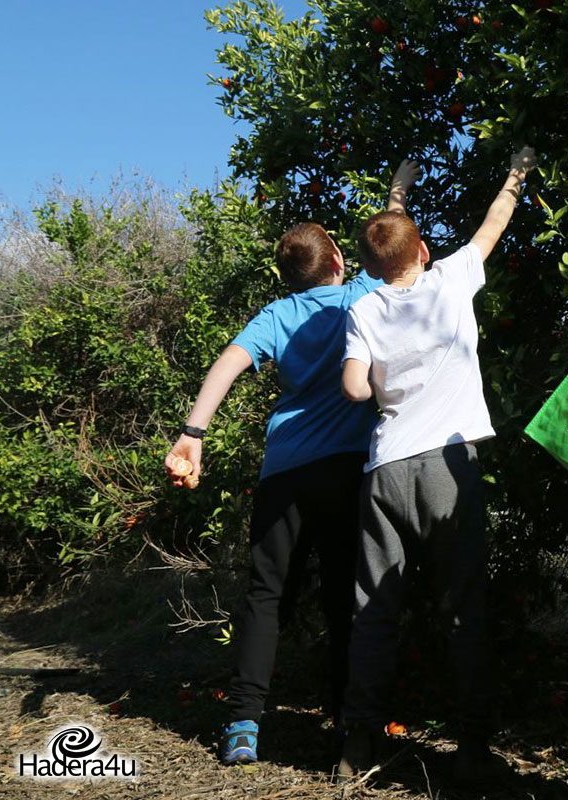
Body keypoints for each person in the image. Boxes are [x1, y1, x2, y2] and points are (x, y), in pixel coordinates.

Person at [164, 159, 421, 765]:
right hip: (345, 470)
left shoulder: (275, 316)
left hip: (283, 470)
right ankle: (345, 721)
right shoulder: (359, 295)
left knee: (265, 596)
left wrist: (192, 434)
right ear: (337, 261)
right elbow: (393, 239)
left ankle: (245, 725)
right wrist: (397, 190)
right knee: (342, 595)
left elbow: (228, 363)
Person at [336, 146, 537, 784]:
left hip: (386, 469)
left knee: (374, 609)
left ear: (368, 267)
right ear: (423, 251)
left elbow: (354, 389)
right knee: (463, 607)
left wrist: (398, 186)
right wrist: (516, 175)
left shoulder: (363, 308)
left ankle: (357, 745)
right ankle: (473, 749)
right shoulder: (452, 278)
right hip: (449, 467)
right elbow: (492, 223)